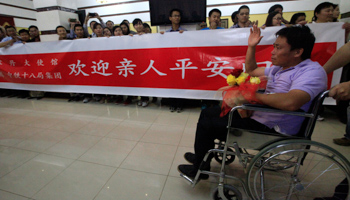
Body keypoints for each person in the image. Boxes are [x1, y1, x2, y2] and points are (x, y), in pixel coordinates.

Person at [178, 25, 327, 179]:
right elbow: (251, 70)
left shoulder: (311, 72)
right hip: (262, 116)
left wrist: (252, 96)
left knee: (208, 123)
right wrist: (251, 46)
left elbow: (291, 102)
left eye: (278, 47)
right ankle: (201, 159)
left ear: (297, 52)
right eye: (274, 46)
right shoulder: (282, 68)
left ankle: (199, 169)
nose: (273, 51)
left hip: (273, 128)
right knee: (208, 113)